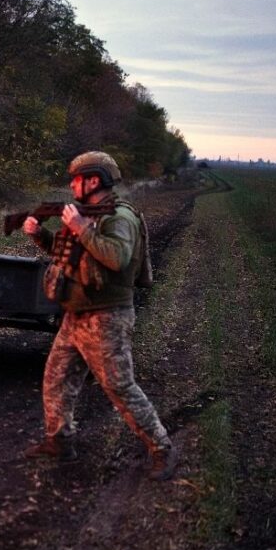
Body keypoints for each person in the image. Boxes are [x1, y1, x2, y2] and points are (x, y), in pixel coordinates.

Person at [22, 150, 179, 481]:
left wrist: (80, 227)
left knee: (120, 387)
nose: (71, 185)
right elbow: (67, 253)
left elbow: (116, 258)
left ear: (94, 180)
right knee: (57, 378)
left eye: (76, 179)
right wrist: (39, 234)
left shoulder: (119, 218)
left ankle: (162, 448)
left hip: (107, 317)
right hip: (76, 314)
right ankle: (60, 441)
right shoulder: (87, 215)